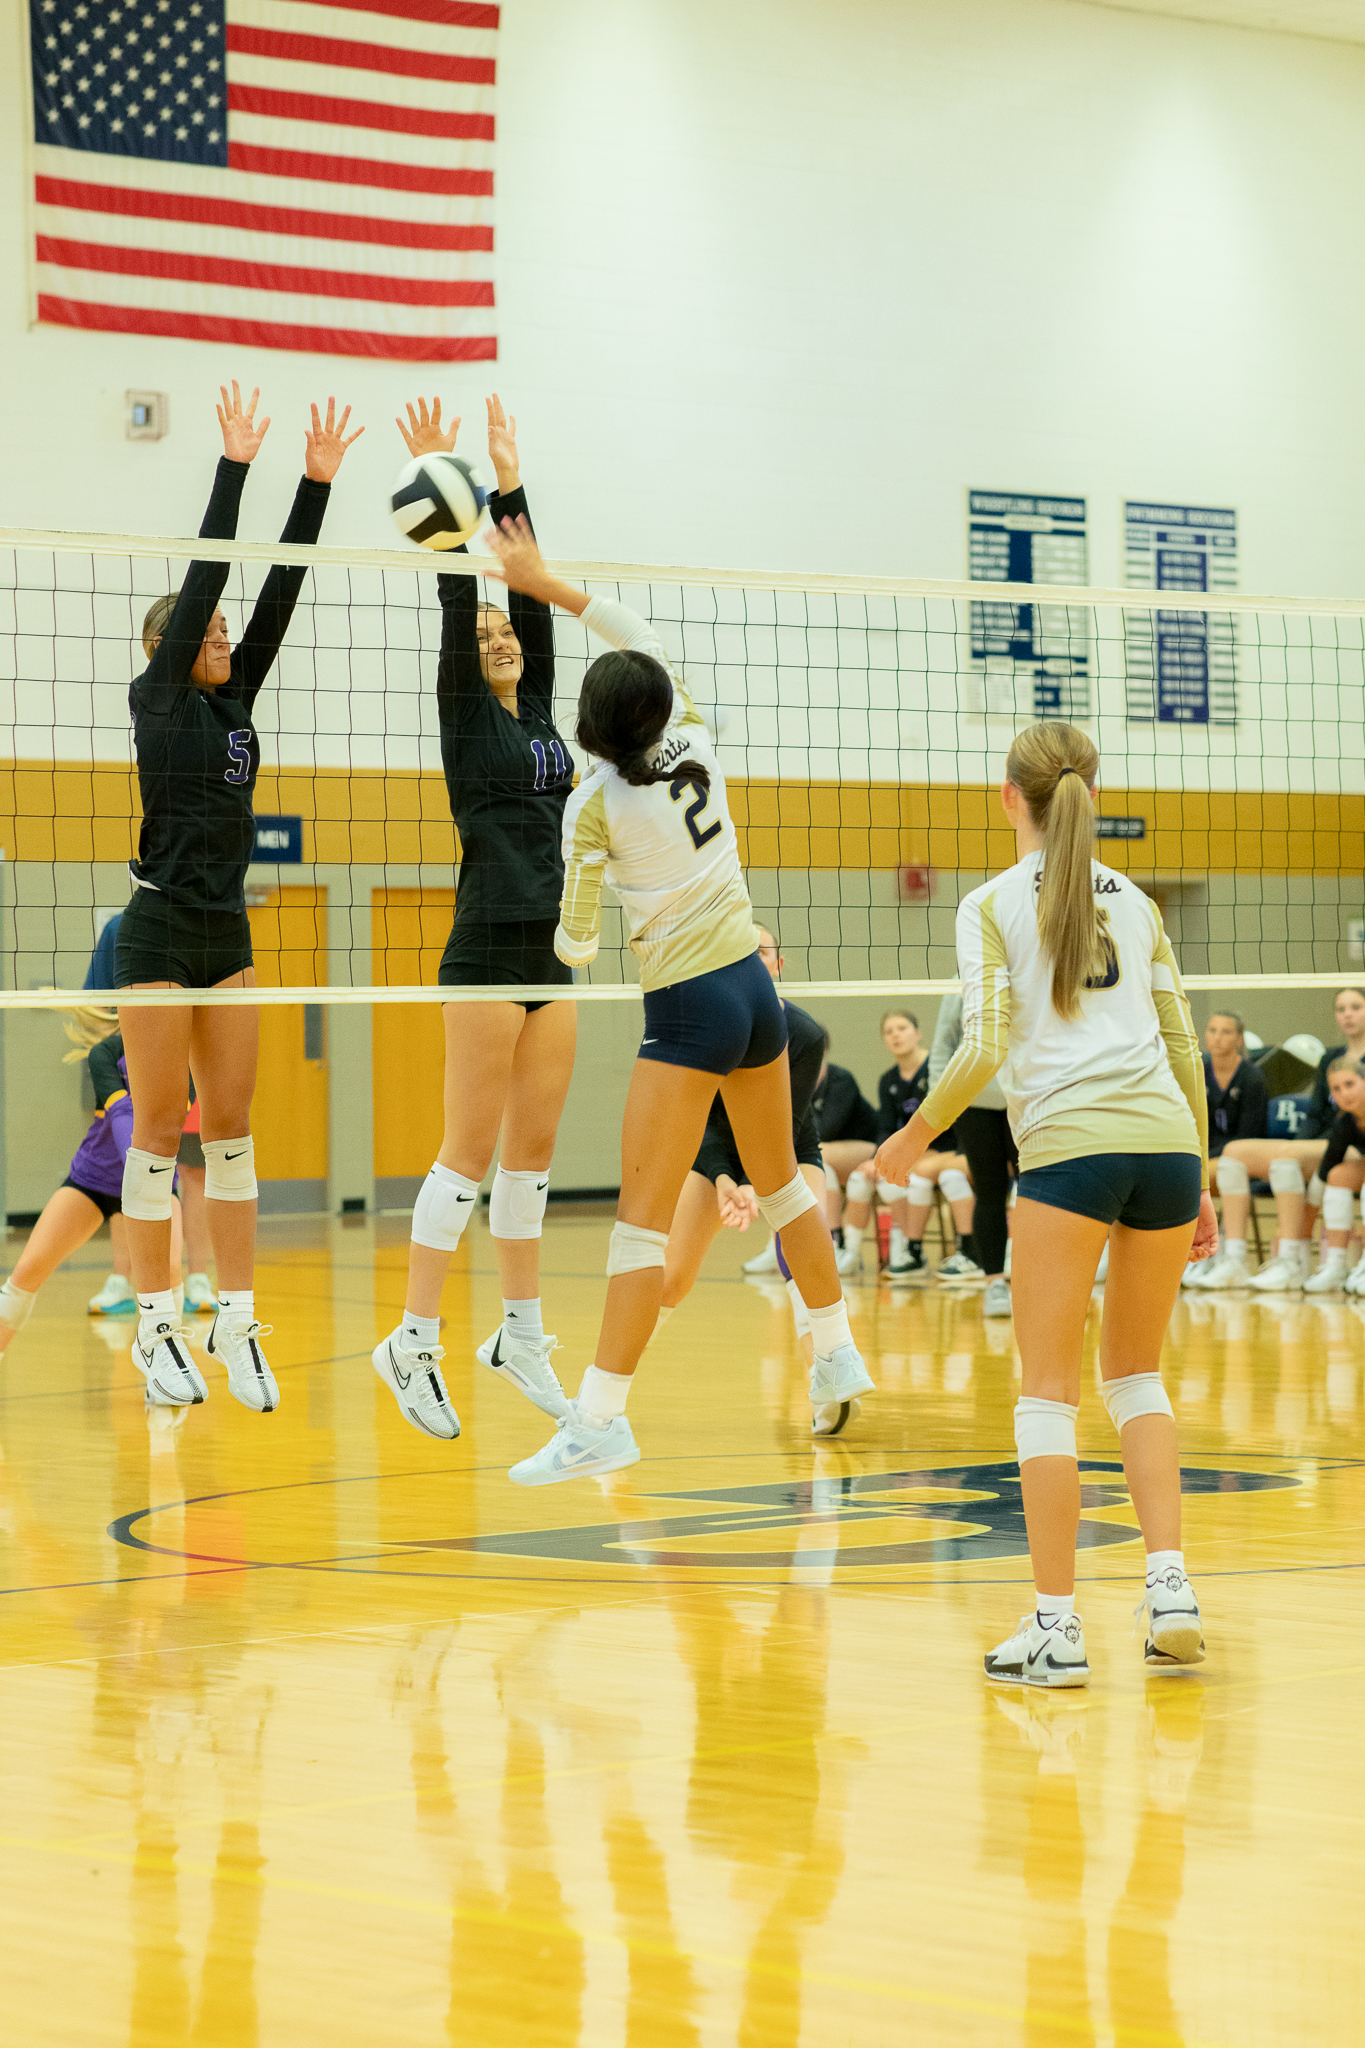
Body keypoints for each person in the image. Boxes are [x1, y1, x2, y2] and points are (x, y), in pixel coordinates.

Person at [480, 515, 872, 1483]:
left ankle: (600, 1418)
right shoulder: (692, 730)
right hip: (754, 992)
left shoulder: (591, 805)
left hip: (690, 1010)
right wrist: (545, 580)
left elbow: (575, 944)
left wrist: (592, 883)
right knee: (783, 1186)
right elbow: (632, 628)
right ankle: (835, 1347)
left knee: (638, 1227)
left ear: (591, 725)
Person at [875, 721, 1214, 1688]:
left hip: (1070, 1149)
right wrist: (1197, 1173)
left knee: (1046, 1393)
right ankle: (1170, 1590)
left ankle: (1057, 1627)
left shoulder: (987, 904)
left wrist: (912, 1136)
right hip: (1165, 1145)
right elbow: (1182, 1047)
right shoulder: (1138, 903)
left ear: (1006, 797)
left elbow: (982, 1046)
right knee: (1137, 1379)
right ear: (1089, 794)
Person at [117, 382, 361, 1414]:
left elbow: (279, 594)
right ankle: (156, 1325)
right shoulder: (160, 697)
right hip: (159, 927)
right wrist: (235, 467)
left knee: (232, 1127)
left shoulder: (234, 699)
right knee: (157, 1131)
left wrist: (314, 485)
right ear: (173, 645)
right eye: (208, 629)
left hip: (228, 928)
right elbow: (212, 569)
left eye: (223, 632)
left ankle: (236, 1316)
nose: (224, 636)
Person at [371, 397, 577, 1441]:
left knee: (532, 1155)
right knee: (468, 1150)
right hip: (486, 944)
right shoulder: (463, 710)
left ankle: (521, 1333)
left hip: (554, 949)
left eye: (508, 634)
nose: (500, 638)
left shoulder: (539, 708)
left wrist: (507, 477)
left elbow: (526, 588)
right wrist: (446, 501)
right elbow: (467, 601)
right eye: (487, 635)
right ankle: (412, 1338)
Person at [655, 929, 847, 1424]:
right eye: (741, 951)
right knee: (671, 1278)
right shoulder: (703, 1027)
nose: (752, 960)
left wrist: (757, 1184)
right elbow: (696, 1119)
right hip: (716, 1151)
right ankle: (606, 1393)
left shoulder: (805, 1035)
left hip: (788, 1146)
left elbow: (786, 1124)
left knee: (803, 1257)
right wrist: (725, 1178)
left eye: (761, 951)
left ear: (778, 964)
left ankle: (827, 1379)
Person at [0, 1009, 186, 1382]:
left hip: (155, 1183)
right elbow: (122, 1117)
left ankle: (164, 1379)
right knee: (27, 1272)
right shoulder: (106, 1052)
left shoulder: (182, 1056)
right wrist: (136, 1170)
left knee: (168, 1274)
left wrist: (144, 1180)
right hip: (94, 1178)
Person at [1212, 987, 1365, 1292]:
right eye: (1341, 1009)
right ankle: (1233, 1259)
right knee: (1233, 1153)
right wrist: (1300, 1144)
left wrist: (1296, 1151)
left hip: (1350, 1148)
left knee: (1288, 1159)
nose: (1347, 1014)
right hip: (1327, 1141)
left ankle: (1291, 1256)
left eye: (1355, 1007)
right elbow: (1317, 1113)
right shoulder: (1330, 1059)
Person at [930, 991, 1016, 1318]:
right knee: (988, 1191)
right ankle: (995, 1284)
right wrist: (936, 1105)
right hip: (975, 1101)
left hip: (1029, 1098)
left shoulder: (1033, 968)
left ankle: (1041, 1281)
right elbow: (944, 1044)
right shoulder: (961, 984)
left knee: (1040, 1193)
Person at [1180, 1010, 1267, 1290]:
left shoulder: (1252, 1078)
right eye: (1212, 1030)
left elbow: (1248, 1136)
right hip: (1205, 1157)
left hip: (1240, 1157)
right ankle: (1194, 1255)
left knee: (1201, 1173)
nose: (1217, 1038)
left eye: (1226, 1032)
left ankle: (1222, 1256)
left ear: (1239, 1039)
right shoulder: (1197, 1070)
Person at [1302, 1058, 1365, 1293]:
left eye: (1350, 1084)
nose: (1344, 1094)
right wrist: (1303, 1232)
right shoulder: (1345, 1122)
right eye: (1336, 1089)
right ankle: (1335, 1266)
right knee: (1337, 1176)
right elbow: (1325, 1170)